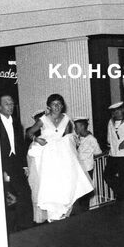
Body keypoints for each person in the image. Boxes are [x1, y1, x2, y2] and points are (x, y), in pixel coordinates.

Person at [26, 94, 94, 223]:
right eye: (54, 104)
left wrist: (71, 141)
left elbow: (68, 137)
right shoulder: (43, 120)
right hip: (47, 154)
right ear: (49, 107)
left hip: (62, 154)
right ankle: (52, 213)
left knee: (65, 181)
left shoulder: (66, 119)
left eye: (59, 104)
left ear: (62, 106)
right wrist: (37, 139)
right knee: (50, 182)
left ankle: (62, 210)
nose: (57, 107)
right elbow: (29, 133)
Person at [0, 94, 33, 231]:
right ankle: (10, 230)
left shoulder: (17, 123)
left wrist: (24, 165)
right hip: (3, 164)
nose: (10, 106)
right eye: (7, 104)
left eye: (12, 104)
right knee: (8, 196)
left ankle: (26, 227)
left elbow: (21, 145)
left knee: (24, 193)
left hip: (16, 163)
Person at [73, 117, 102, 212]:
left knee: (85, 192)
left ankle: (85, 211)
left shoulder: (91, 139)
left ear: (82, 126)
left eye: (76, 127)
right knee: (80, 191)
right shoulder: (79, 138)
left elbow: (98, 152)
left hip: (87, 168)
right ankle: (82, 211)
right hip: (80, 169)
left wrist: (89, 156)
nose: (75, 129)